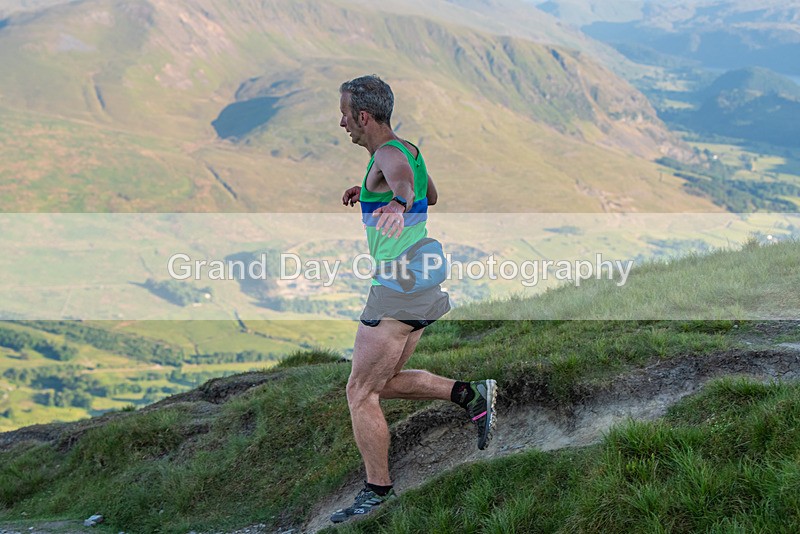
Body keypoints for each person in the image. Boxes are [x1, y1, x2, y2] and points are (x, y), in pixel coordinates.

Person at [330, 75, 497, 524]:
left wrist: (397, 202)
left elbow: (405, 185)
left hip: (396, 286)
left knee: (359, 392)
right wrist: (372, 193)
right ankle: (471, 394)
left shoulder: (388, 155)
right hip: (420, 281)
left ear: (363, 116)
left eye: (345, 114)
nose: (342, 123)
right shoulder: (408, 150)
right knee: (383, 380)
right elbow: (430, 193)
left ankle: (377, 491)